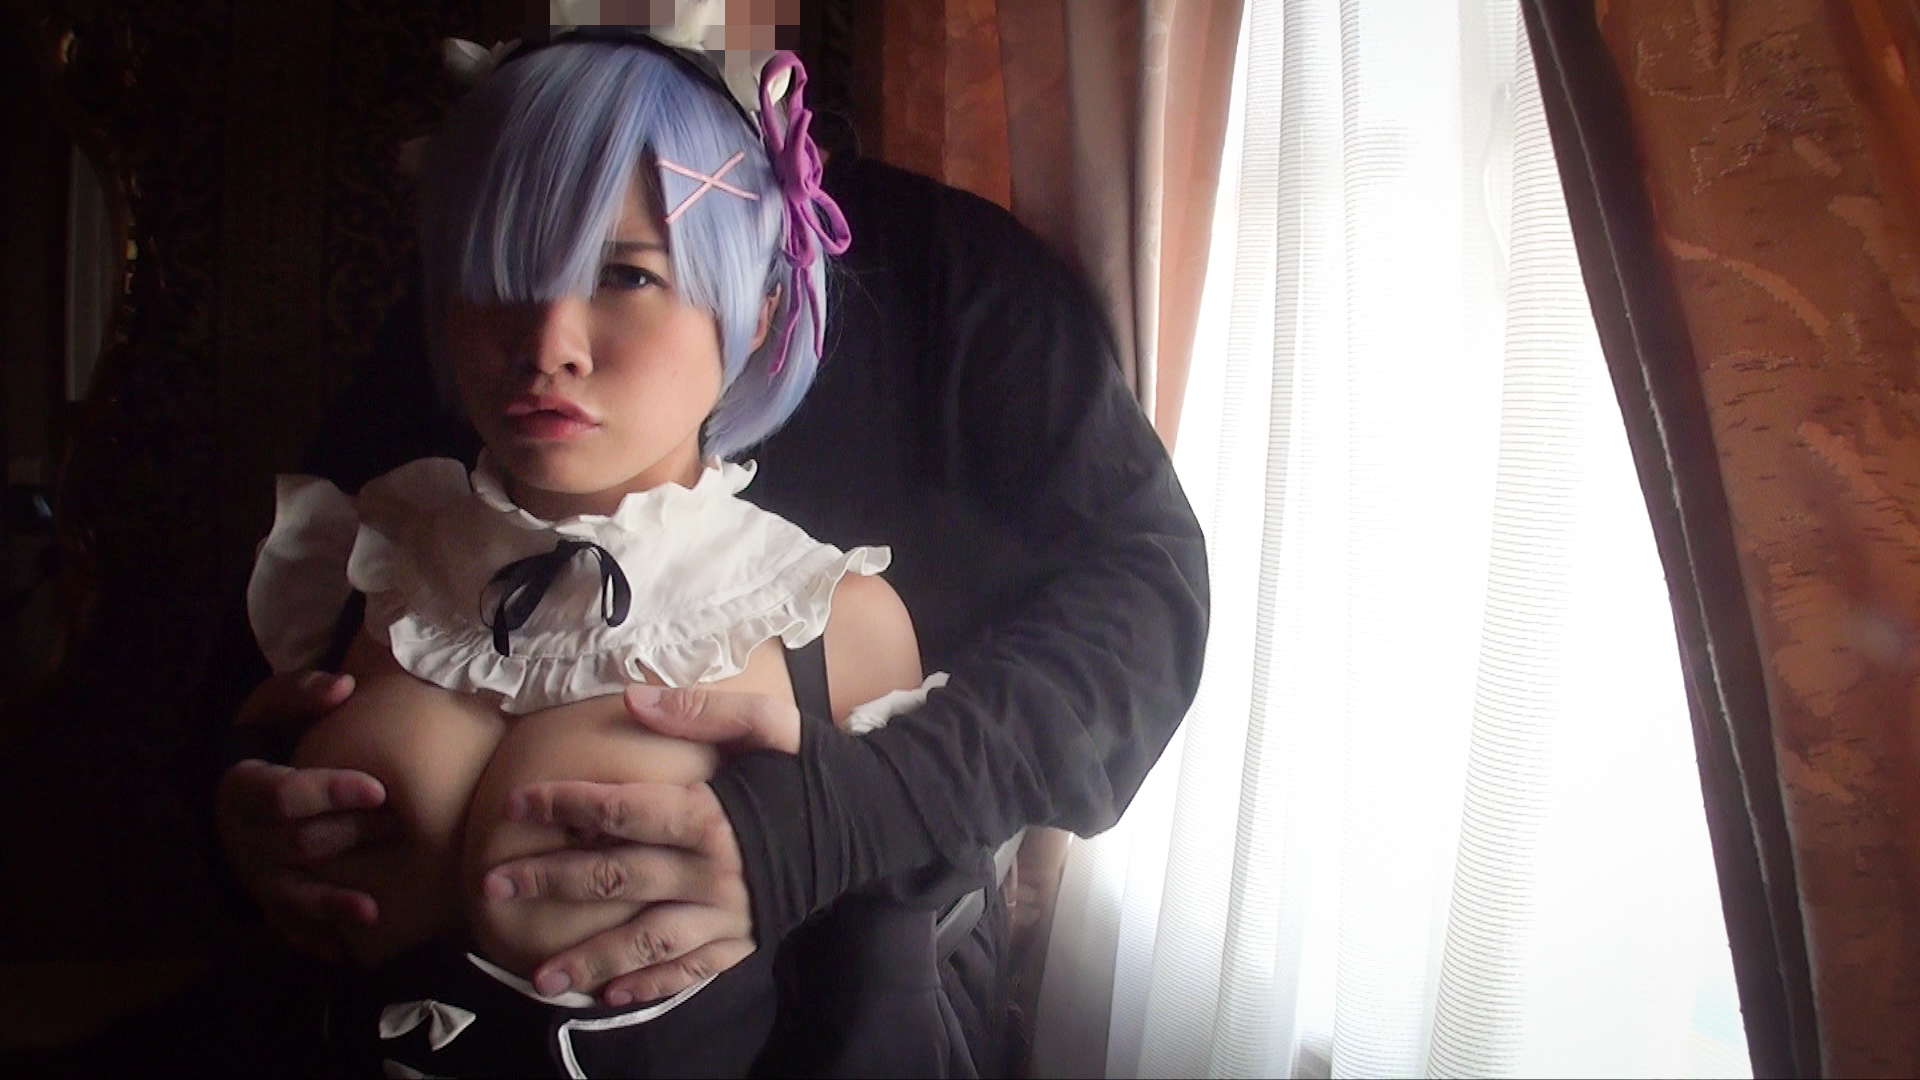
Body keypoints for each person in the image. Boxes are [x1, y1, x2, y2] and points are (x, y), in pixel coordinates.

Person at [215, 23, 1211, 1080]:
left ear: (760, 314)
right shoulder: (390, 530)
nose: (547, 344)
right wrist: (240, 805)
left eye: (626, 274)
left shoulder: (952, 282)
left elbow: (1144, 601)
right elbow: (239, 711)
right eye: (502, 278)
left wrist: (850, 814)